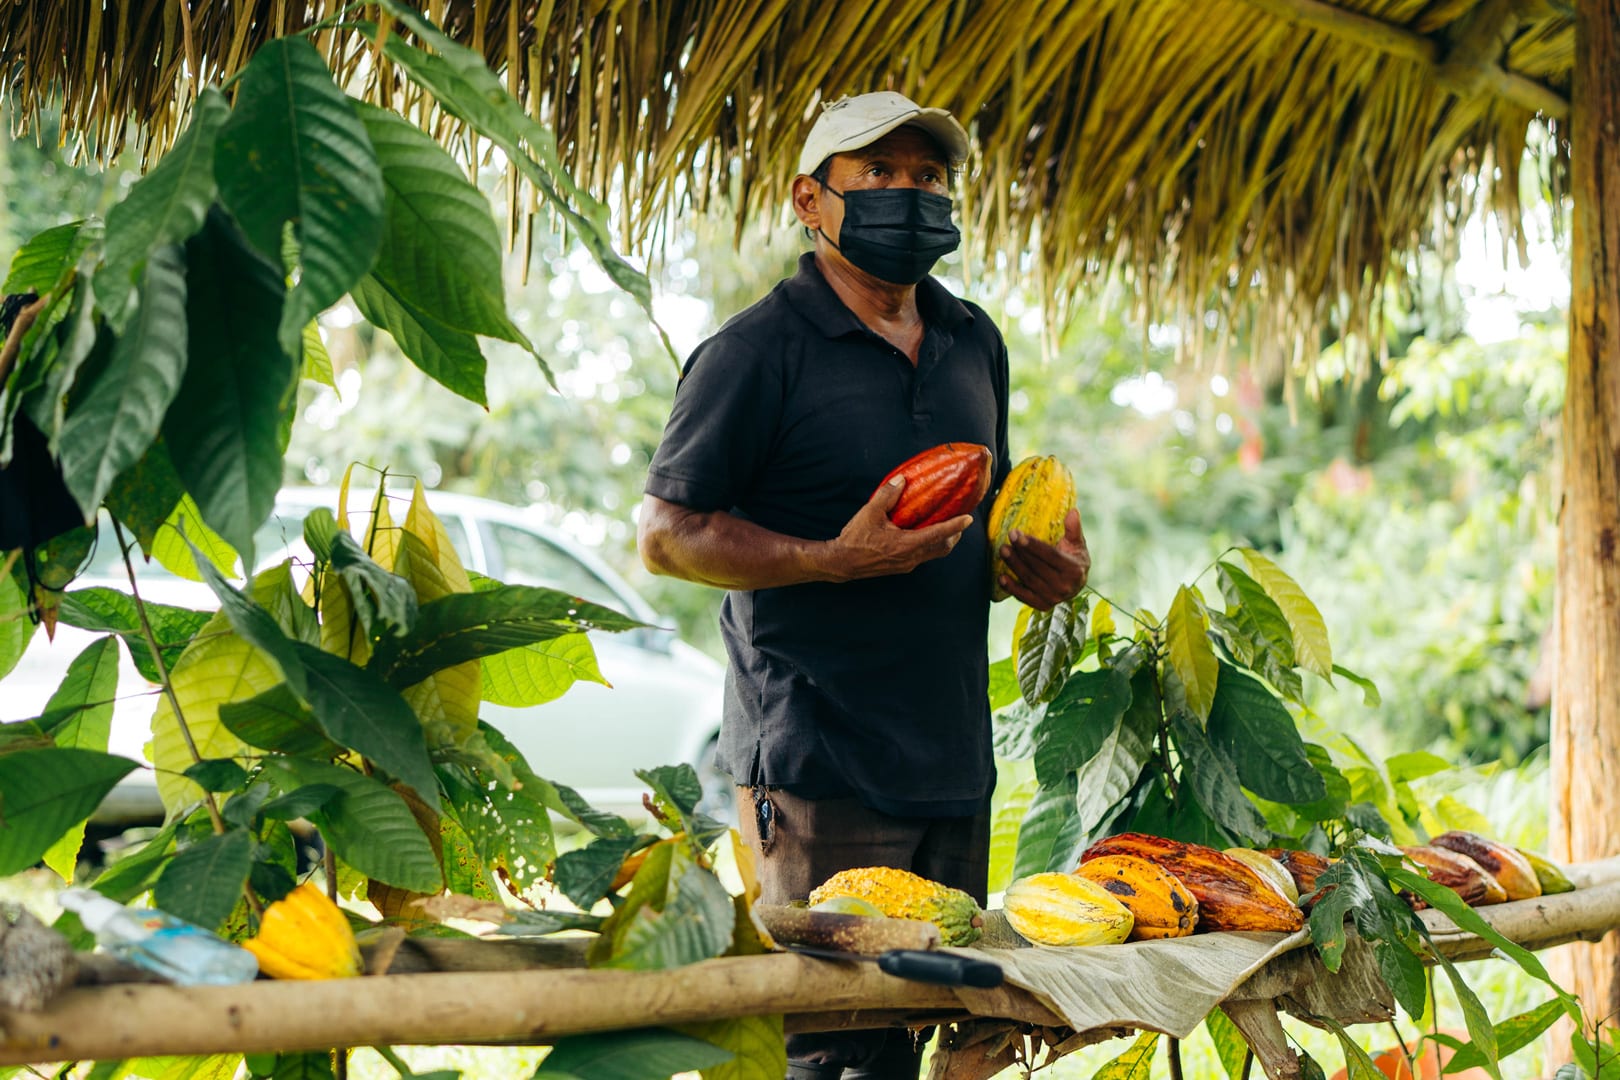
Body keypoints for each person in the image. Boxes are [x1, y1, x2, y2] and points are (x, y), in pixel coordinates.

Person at [637, 91, 1089, 1079]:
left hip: (952, 757)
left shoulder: (974, 341)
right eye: (877, 175)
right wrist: (826, 560)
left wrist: (1039, 567)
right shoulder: (755, 352)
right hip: (817, 768)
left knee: (958, 1030)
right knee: (834, 1052)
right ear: (811, 199)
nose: (907, 195)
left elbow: (983, 523)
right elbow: (666, 538)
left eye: (926, 177)